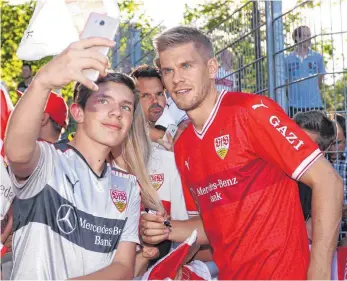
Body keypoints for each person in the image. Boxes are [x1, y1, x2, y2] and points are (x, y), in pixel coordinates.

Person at [140, 26, 343, 279]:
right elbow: (212, 227)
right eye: (168, 70)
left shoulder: (251, 111)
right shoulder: (184, 146)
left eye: (186, 66)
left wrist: (320, 272)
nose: (177, 78)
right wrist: (165, 228)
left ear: (212, 68)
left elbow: (329, 181)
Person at [4, 37, 154, 280]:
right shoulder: (49, 161)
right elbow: (17, 153)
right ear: (78, 112)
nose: (116, 112)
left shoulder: (128, 187)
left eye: (126, 107)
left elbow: (124, 269)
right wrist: (42, 82)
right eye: (104, 101)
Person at [285, 26, 326, 117]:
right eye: (304, 36)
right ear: (296, 38)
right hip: (294, 107)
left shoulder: (318, 57)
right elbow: (286, 83)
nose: (308, 39)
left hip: (315, 106)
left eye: (309, 35)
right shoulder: (287, 60)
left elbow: (320, 79)